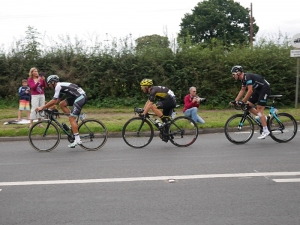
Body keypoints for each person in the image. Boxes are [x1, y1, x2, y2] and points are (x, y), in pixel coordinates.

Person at [35, 75, 88, 148]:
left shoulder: (58, 86)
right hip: (78, 96)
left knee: (71, 119)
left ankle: (78, 139)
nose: (49, 86)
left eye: (49, 84)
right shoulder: (60, 87)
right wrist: (48, 108)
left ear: (53, 82)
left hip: (80, 97)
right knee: (62, 104)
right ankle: (74, 122)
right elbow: (56, 101)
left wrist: (42, 107)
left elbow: (53, 101)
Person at [230, 65, 271, 139]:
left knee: (259, 109)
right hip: (258, 90)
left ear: (238, 73)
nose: (233, 76)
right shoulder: (243, 80)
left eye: (233, 74)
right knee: (247, 106)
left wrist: (242, 101)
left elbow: (250, 91)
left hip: (265, 89)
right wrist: (235, 101)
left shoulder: (247, 77)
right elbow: (242, 90)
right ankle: (263, 118)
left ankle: (266, 130)